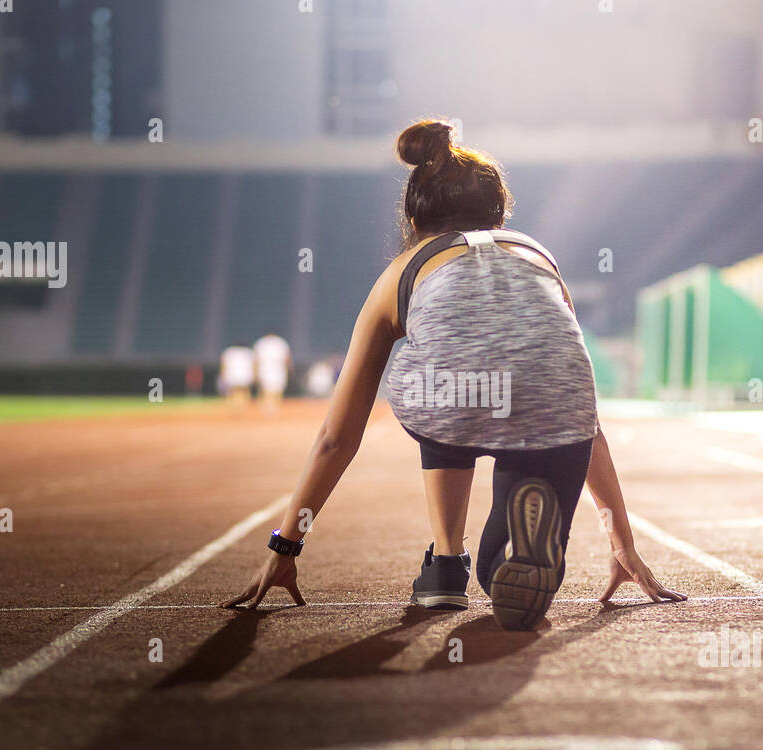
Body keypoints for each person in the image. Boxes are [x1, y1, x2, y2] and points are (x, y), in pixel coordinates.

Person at [224, 118, 685, 629]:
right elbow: (577, 403)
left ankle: (446, 563)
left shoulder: (402, 270)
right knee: (505, 557)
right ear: (498, 212)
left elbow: (338, 436)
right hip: (556, 412)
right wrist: (622, 540)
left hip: (449, 400)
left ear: (415, 217)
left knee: (444, 378)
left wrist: (286, 544)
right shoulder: (538, 256)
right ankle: (512, 550)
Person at [253, 332, 292, 414]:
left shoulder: (261, 343)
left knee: (267, 391)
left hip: (266, 370)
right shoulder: (281, 343)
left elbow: (256, 360)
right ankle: (273, 409)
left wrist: (255, 372)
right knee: (275, 391)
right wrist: (289, 369)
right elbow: (287, 359)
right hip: (276, 370)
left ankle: (268, 410)